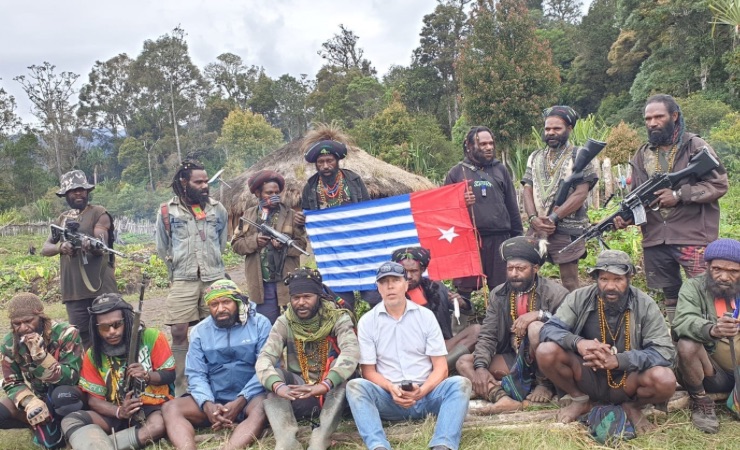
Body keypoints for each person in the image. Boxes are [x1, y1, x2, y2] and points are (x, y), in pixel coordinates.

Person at [614, 94, 728, 323]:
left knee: (708, 290)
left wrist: (679, 195)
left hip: (692, 236)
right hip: (656, 238)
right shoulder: (642, 153)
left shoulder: (695, 146)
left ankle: (719, 344)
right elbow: (638, 197)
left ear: (674, 116)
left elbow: (719, 184)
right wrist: (627, 218)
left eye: (658, 116)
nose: (652, 122)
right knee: (670, 296)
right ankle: (678, 339)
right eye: (648, 118)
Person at [537, 250, 676, 434]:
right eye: (604, 279)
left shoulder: (645, 304)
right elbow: (549, 329)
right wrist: (578, 342)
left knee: (664, 379)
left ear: (629, 278)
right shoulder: (580, 297)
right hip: (587, 374)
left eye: (617, 280)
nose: (610, 286)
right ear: (596, 279)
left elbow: (665, 352)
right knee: (546, 351)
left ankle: (632, 407)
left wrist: (620, 360)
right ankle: (580, 399)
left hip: (627, 379)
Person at [346, 262, 471, 450]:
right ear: (378, 288)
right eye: (384, 282)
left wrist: (423, 390)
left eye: (395, 280)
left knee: (459, 384)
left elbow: (441, 368)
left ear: (405, 284)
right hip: (389, 398)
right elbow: (368, 371)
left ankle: (443, 444)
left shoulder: (425, 316)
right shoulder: (368, 322)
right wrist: (391, 388)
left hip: (427, 396)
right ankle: (378, 445)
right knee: (355, 386)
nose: (390, 286)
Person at [456, 236, 568, 413]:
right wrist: (481, 367)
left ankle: (544, 384)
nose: (514, 273)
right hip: (514, 358)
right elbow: (488, 334)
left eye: (520, 269)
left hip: (546, 363)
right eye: (510, 268)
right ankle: (502, 398)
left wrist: (540, 315)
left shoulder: (555, 293)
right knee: (464, 362)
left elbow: (569, 325)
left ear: (535, 268)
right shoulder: (498, 294)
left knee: (535, 328)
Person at [256, 268, 359, 450]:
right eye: (296, 298)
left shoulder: (337, 317)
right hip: (301, 392)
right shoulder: (285, 321)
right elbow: (264, 358)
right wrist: (278, 386)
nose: (301, 303)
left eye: (307, 297)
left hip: (332, 391)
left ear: (318, 296)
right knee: (275, 376)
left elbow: (351, 352)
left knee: (341, 371)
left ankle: (322, 437)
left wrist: (325, 384)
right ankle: (286, 441)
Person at [160, 280, 271, 450]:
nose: (220, 309)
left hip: (250, 398)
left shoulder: (260, 324)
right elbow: (196, 373)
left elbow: (266, 367)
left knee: (264, 406)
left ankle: (231, 447)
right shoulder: (200, 331)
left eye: (226, 302)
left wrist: (242, 399)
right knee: (170, 408)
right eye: (214, 304)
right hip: (214, 398)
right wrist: (207, 404)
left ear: (238, 301)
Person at [61, 293, 175, 450]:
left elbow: (169, 374)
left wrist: (147, 376)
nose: (111, 332)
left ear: (127, 321)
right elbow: (94, 400)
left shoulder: (152, 337)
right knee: (70, 420)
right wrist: (119, 412)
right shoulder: (93, 354)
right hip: (115, 412)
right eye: (103, 327)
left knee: (158, 426)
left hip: (151, 406)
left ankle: (97, 445)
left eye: (117, 324)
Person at [155, 159, 228, 395]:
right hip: (183, 278)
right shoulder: (167, 211)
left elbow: (222, 241)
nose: (205, 185)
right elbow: (162, 246)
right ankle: (182, 387)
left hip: (213, 278)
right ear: (184, 182)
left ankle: (216, 381)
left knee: (216, 327)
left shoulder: (217, 209)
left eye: (206, 181)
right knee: (178, 330)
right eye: (199, 181)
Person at [297, 125, 379, 309]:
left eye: (329, 160)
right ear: (316, 164)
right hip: (332, 253)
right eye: (321, 162)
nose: (325, 166)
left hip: (360, 248)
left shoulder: (353, 181)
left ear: (337, 161)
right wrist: (301, 221)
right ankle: (348, 334)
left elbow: (367, 211)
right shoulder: (310, 188)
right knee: (341, 302)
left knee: (373, 295)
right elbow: (306, 220)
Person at [522, 106, 598, 292]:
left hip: (567, 228)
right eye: (548, 129)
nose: (551, 133)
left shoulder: (580, 155)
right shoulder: (535, 156)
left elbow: (581, 193)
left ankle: (576, 319)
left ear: (569, 129)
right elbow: (527, 188)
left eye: (557, 129)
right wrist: (533, 219)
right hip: (537, 226)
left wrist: (554, 218)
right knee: (525, 274)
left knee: (570, 281)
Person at [41, 170, 118, 348]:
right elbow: (45, 248)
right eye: (73, 190)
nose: (78, 193)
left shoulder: (99, 212)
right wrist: (62, 247)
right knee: (83, 340)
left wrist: (89, 244)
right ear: (65, 194)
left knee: (111, 333)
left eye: (81, 189)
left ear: (87, 191)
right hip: (74, 291)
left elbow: (102, 242)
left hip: (100, 288)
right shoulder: (63, 219)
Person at [444, 126, 523, 297]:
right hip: (468, 241)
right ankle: (463, 321)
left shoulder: (500, 170)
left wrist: (518, 238)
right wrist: (461, 203)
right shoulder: (456, 173)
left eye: (491, 143)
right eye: (483, 144)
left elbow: (512, 206)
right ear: (469, 146)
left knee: (502, 288)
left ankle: (502, 322)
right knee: (464, 288)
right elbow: (445, 211)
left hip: (499, 239)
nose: (489, 147)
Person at [672, 238, 740, 434]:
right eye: (717, 269)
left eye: (733, 271)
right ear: (707, 266)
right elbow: (682, 321)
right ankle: (701, 401)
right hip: (712, 373)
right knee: (687, 344)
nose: (724, 277)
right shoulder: (693, 287)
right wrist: (712, 329)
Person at [1, 293, 84, 449]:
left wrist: (43, 359)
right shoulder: (9, 343)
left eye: (28, 321)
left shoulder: (66, 333)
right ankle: (41, 422)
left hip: (69, 393)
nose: (24, 328)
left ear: (40, 315)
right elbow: (12, 382)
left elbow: (72, 377)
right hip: (40, 397)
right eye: (16, 323)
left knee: (61, 396)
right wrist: (29, 402)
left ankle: (70, 424)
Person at [232, 170, 308, 324]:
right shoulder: (248, 216)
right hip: (262, 284)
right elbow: (236, 244)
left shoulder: (292, 215)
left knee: (297, 324)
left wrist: (283, 247)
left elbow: (301, 245)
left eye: (276, 192)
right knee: (266, 326)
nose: (274, 195)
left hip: (287, 280)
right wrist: (255, 242)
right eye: (268, 192)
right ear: (258, 193)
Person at [390, 246, 480, 370]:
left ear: (422, 269)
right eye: (404, 271)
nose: (409, 276)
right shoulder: (390, 293)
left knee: (477, 331)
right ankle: (436, 369)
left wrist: (462, 303)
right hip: (412, 353)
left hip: (443, 345)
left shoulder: (436, 287)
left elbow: (469, 310)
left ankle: (438, 369)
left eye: (414, 271)